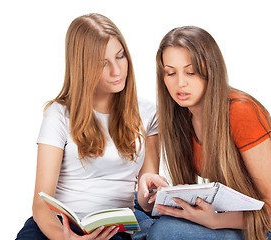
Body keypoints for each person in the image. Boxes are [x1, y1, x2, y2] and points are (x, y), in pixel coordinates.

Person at [16, 13, 167, 240]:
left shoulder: (148, 113)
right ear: (82, 68)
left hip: (113, 228)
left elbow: (145, 200)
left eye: (120, 56)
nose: (116, 71)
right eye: (102, 64)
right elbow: (40, 203)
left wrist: (150, 189)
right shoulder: (58, 114)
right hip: (59, 224)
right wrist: (66, 238)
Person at [146, 26, 271, 240]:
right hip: (232, 225)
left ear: (211, 70)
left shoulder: (240, 111)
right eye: (171, 73)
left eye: (191, 72)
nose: (180, 83)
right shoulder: (181, 120)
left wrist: (216, 221)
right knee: (144, 216)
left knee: (164, 232)